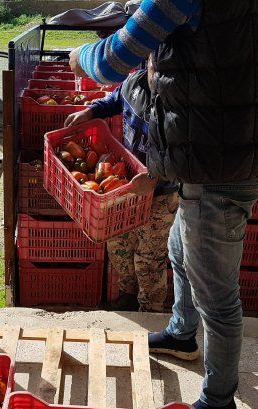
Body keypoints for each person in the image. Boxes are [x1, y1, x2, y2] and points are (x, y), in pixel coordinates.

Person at [69, 0, 258, 409]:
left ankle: (219, 402)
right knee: (181, 247)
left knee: (216, 293)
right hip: (247, 142)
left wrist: (77, 56)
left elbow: (109, 62)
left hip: (215, 157)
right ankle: (182, 333)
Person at [64, 54, 177, 312]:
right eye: (153, 67)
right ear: (146, 63)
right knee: (119, 245)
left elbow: (182, 152)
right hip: (125, 186)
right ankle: (127, 295)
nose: (156, 74)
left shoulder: (176, 102)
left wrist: (154, 176)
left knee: (149, 257)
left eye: (163, 69)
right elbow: (114, 100)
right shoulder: (133, 84)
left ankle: (151, 311)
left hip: (160, 194)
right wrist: (90, 111)